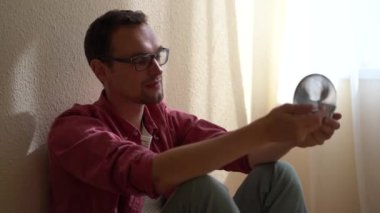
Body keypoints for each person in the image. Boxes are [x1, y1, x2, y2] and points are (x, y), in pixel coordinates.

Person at [47, 9, 341, 213]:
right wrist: (263, 128)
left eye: (158, 55)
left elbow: (243, 153)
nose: (157, 69)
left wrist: (292, 136)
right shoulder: (75, 133)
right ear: (101, 70)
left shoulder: (163, 120)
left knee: (278, 176)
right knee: (201, 191)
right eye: (140, 60)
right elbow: (151, 173)